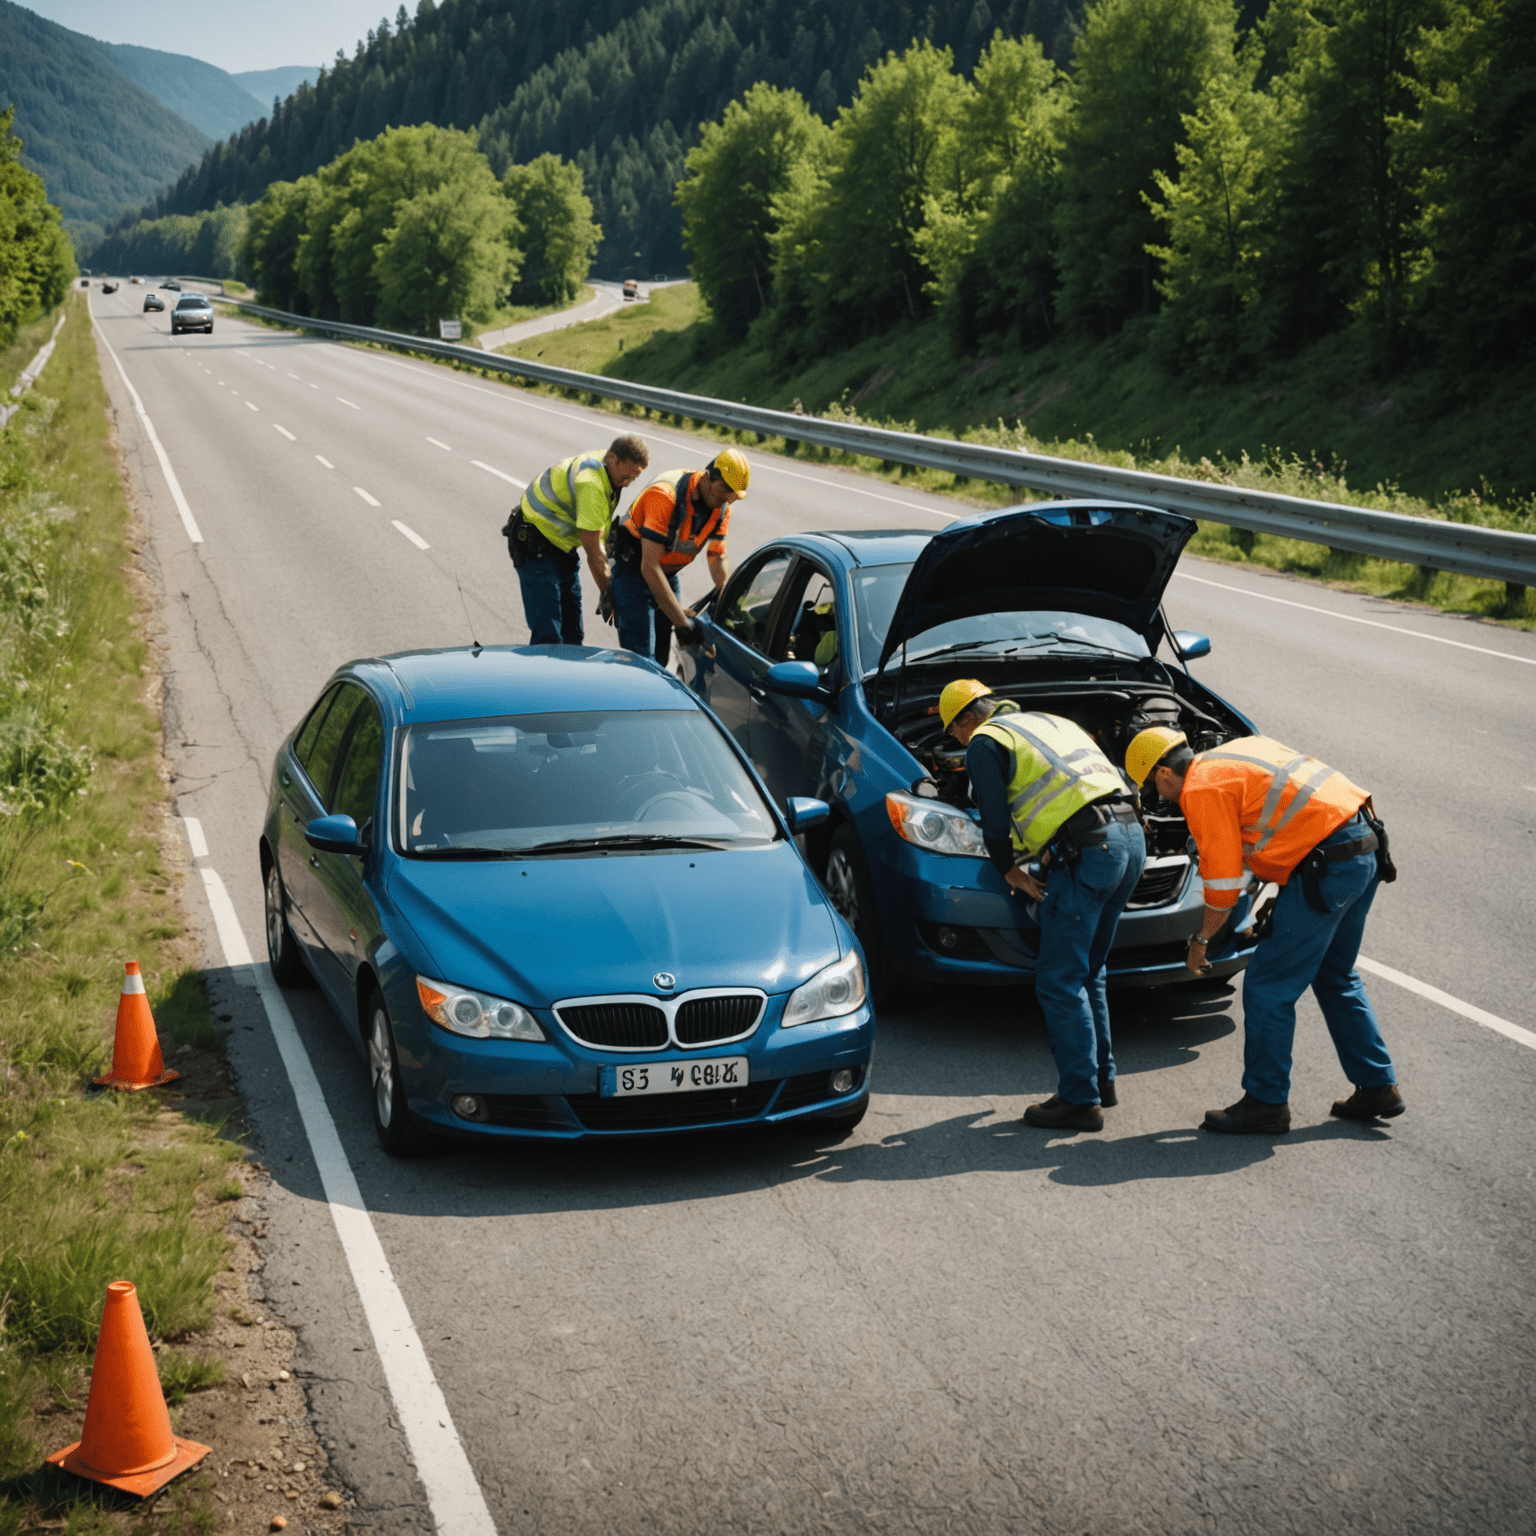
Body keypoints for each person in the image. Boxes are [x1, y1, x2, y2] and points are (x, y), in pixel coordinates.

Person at [1124, 727, 1401, 1134]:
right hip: (1365, 844)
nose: (1158, 798)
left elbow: (1221, 887)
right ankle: (1378, 1085)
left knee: (1266, 987)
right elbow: (1281, 824)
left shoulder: (1200, 790)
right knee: (1335, 974)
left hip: (1327, 867)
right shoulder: (1235, 753)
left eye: (1151, 788)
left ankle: (1265, 1102)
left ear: (1164, 774)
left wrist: (1201, 943)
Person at [941, 680, 1146, 1132]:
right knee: (1089, 970)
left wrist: (1009, 869)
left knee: (1058, 979)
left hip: (1090, 851)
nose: (958, 743)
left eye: (953, 733)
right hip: (1130, 838)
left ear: (965, 719)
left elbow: (994, 819)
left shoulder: (985, 740)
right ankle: (1100, 1082)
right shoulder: (1049, 722)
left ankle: (1078, 1099)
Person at [607, 448, 748, 665]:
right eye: (724, 489)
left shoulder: (722, 506)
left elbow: (717, 556)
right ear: (709, 477)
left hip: (667, 575)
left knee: (661, 659)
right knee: (641, 661)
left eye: (734, 495)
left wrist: (724, 593)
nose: (728, 498)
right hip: (634, 575)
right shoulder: (665, 495)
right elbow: (649, 567)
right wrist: (682, 624)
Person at [504, 436, 649, 645]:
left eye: (633, 478)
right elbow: (594, 553)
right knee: (548, 640)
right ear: (612, 458)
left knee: (573, 637)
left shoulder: (608, 469)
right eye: (626, 476)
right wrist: (610, 595)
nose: (627, 483)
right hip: (536, 548)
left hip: (562, 548)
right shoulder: (591, 482)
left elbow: (601, 534)